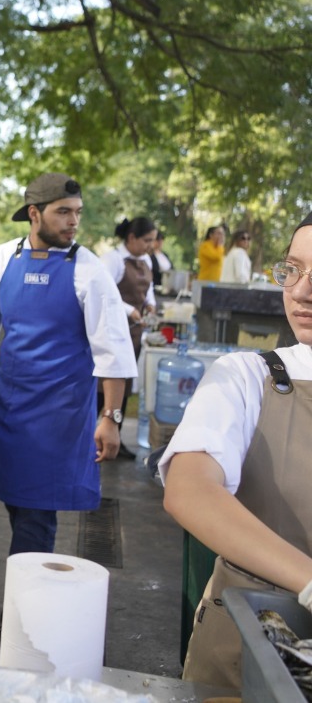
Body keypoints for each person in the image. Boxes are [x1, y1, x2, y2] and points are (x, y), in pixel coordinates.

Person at [161, 213, 312, 690]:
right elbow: (190, 491)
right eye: (293, 270)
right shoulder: (248, 377)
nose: (302, 292)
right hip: (243, 658)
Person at [0, 173, 137, 556]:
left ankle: (26, 610)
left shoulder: (89, 269)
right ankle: (29, 603)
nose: (74, 222)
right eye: (63, 212)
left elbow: (113, 350)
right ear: (34, 213)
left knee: (36, 515)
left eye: (78, 213)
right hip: (9, 408)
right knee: (16, 502)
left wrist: (111, 417)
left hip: (60, 418)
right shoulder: (3, 258)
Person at [98, 216, 158, 421]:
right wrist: (129, 310)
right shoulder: (112, 260)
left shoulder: (146, 260)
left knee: (125, 385)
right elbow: (103, 293)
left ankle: (116, 432)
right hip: (111, 333)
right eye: (147, 240)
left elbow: (149, 290)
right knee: (104, 386)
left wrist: (150, 305)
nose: (151, 246)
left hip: (133, 333)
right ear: (131, 238)